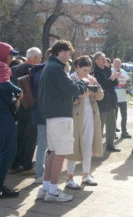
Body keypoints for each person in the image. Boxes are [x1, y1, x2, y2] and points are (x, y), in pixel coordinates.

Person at [36, 40, 87, 202]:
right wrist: (81, 82)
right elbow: (72, 90)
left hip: (53, 117)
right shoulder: (56, 69)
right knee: (60, 154)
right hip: (60, 117)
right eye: (69, 53)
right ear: (61, 52)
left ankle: (46, 188)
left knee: (53, 153)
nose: (70, 56)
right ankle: (53, 191)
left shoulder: (49, 67)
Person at [65, 56, 104, 189]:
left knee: (88, 144)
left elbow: (100, 96)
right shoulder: (71, 79)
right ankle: (69, 177)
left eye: (88, 70)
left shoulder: (90, 78)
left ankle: (86, 174)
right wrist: (80, 96)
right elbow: (67, 100)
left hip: (91, 116)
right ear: (77, 67)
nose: (86, 73)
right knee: (73, 146)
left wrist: (96, 85)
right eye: (84, 70)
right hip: (75, 118)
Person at [9, 47, 42, 176]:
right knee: (30, 138)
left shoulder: (15, 69)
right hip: (32, 107)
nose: (40, 60)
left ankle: (14, 165)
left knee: (19, 136)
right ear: (34, 58)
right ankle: (27, 166)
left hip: (19, 107)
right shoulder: (35, 70)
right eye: (39, 57)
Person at [0, 42, 22, 198]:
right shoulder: (2, 66)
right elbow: (4, 86)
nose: (12, 57)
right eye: (10, 54)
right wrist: (18, 91)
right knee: (8, 150)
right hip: (3, 115)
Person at [31, 48, 52, 184]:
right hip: (44, 114)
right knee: (43, 145)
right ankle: (39, 174)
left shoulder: (39, 71)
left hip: (41, 113)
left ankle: (42, 172)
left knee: (44, 145)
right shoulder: (44, 73)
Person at [92, 52, 121, 152]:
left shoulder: (107, 69)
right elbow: (102, 86)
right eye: (102, 59)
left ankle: (110, 144)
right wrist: (111, 78)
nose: (104, 60)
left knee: (112, 124)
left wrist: (115, 77)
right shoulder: (95, 72)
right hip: (102, 103)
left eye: (105, 58)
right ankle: (96, 147)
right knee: (99, 126)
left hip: (111, 101)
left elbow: (114, 84)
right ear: (96, 61)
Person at [112, 58, 132, 139]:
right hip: (114, 97)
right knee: (114, 116)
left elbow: (128, 82)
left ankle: (124, 132)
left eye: (119, 63)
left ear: (121, 64)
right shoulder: (110, 71)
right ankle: (113, 132)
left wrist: (128, 87)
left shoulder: (124, 72)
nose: (117, 65)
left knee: (124, 116)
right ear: (113, 64)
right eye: (116, 63)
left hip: (123, 97)